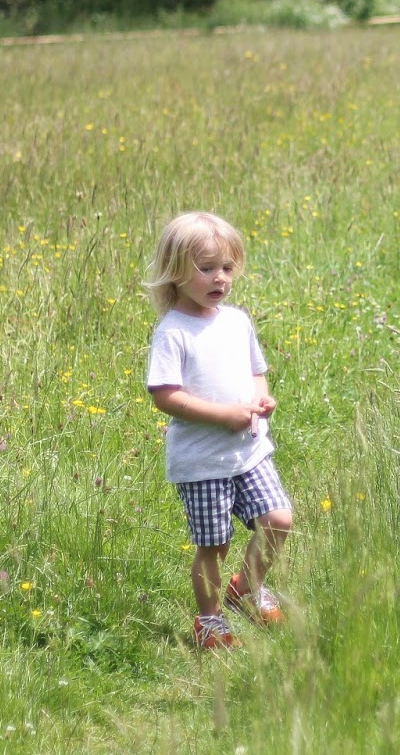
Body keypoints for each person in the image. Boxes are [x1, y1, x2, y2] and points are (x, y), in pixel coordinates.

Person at [145, 211, 294, 648]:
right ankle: (209, 620)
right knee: (215, 545)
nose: (220, 278)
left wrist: (260, 400)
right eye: (206, 268)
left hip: (249, 449)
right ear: (175, 272)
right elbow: (165, 395)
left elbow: (256, 372)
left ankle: (245, 588)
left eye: (227, 268)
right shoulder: (174, 332)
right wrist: (222, 415)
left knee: (279, 519)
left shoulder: (236, 321)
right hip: (202, 462)